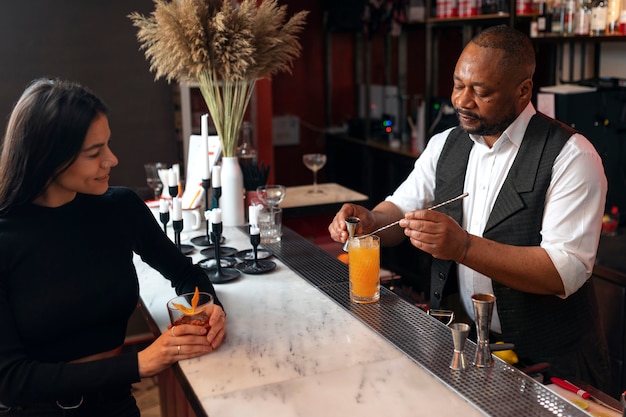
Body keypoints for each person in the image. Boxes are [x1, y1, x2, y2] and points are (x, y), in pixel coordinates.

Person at [329, 25, 610, 390]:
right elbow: (400, 209)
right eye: (458, 84)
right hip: (467, 347)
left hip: (551, 364)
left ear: (523, 91)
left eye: (481, 91)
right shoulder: (447, 143)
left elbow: (565, 271)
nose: (462, 100)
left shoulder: (572, 156)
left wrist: (463, 247)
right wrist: (371, 220)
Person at [0, 78, 227, 416]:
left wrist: (210, 307)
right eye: (95, 153)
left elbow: (184, 272)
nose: (113, 159)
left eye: (107, 145)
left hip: (116, 404)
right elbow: (11, 379)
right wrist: (140, 363)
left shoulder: (119, 207)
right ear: (49, 158)